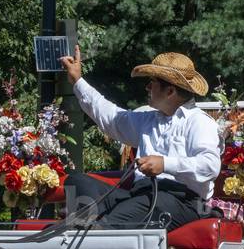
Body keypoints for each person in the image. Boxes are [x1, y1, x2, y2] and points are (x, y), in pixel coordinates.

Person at [59, 46, 221, 230]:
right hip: (142, 196)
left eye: (152, 83)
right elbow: (111, 117)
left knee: (151, 201)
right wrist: (78, 81)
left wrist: (165, 164)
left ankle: (97, 230)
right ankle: (88, 228)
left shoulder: (199, 122)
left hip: (183, 202)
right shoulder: (148, 120)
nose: (147, 87)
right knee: (77, 182)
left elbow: (210, 166)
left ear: (170, 91)